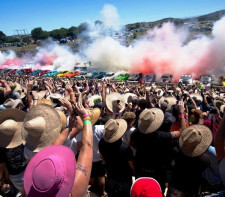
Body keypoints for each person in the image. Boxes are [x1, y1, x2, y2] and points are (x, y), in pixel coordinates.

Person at [24, 101, 94, 197]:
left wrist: (69, 127)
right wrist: (86, 117)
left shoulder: (35, 189)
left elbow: (52, 149)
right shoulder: (75, 189)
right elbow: (87, 146)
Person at [99, 119, 134, 197]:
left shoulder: (101, 143)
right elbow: (131, 163)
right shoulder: (125, 147)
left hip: (111, 173)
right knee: (126, 194)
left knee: (111, 193)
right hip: (125, 175)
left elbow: (102, 158)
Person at [0, 108, 27, 197]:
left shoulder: (1, 147)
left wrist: (1, 180)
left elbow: (1, 166)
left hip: (15, 177)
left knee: (24, 193)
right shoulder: (24, 137)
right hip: (28, 169)